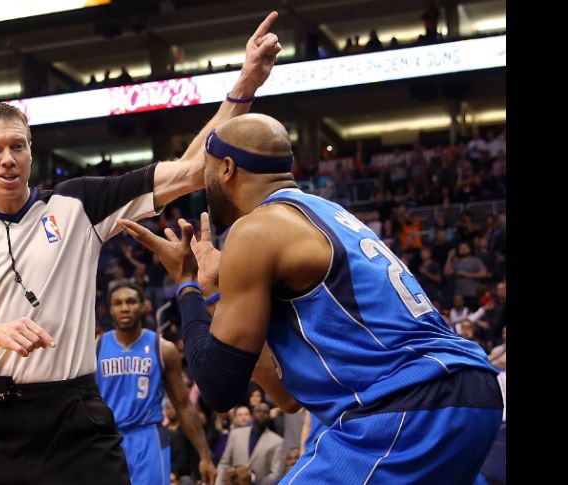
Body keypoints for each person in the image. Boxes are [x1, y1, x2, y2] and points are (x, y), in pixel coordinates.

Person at [0, 12, 282, 484]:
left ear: (32, 150)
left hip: (76, 417)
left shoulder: (78, 203)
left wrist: (245, 83)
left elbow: (193, 169)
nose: (8, 159)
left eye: (18, 146)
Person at [118, 113, 503, 484]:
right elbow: (287, 397)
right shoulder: (327, 213)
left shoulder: (256, 229)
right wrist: (213, 292)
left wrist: (185, 285)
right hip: (465, 393)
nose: (202, 184)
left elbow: (218, 388)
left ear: (227, 169)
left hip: (410, 403)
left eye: (206, 169)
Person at [96, 282, 216, 484]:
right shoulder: (96, 347)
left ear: (143, 306)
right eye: (118, 303)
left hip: (148, 436)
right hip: (108, 438)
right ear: (110, 309)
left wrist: (205, 455)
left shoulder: (163, 349)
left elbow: (183, 405)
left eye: (131, 301)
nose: (125, 307)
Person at [215, 402, 284, 485]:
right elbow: (224, 464)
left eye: (265, 412)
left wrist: (253, 478)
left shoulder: (277, 441)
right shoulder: (235, 434)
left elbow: (276, 473)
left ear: (269, 416)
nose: (262, 414)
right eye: (258, 411)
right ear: (252, 414)